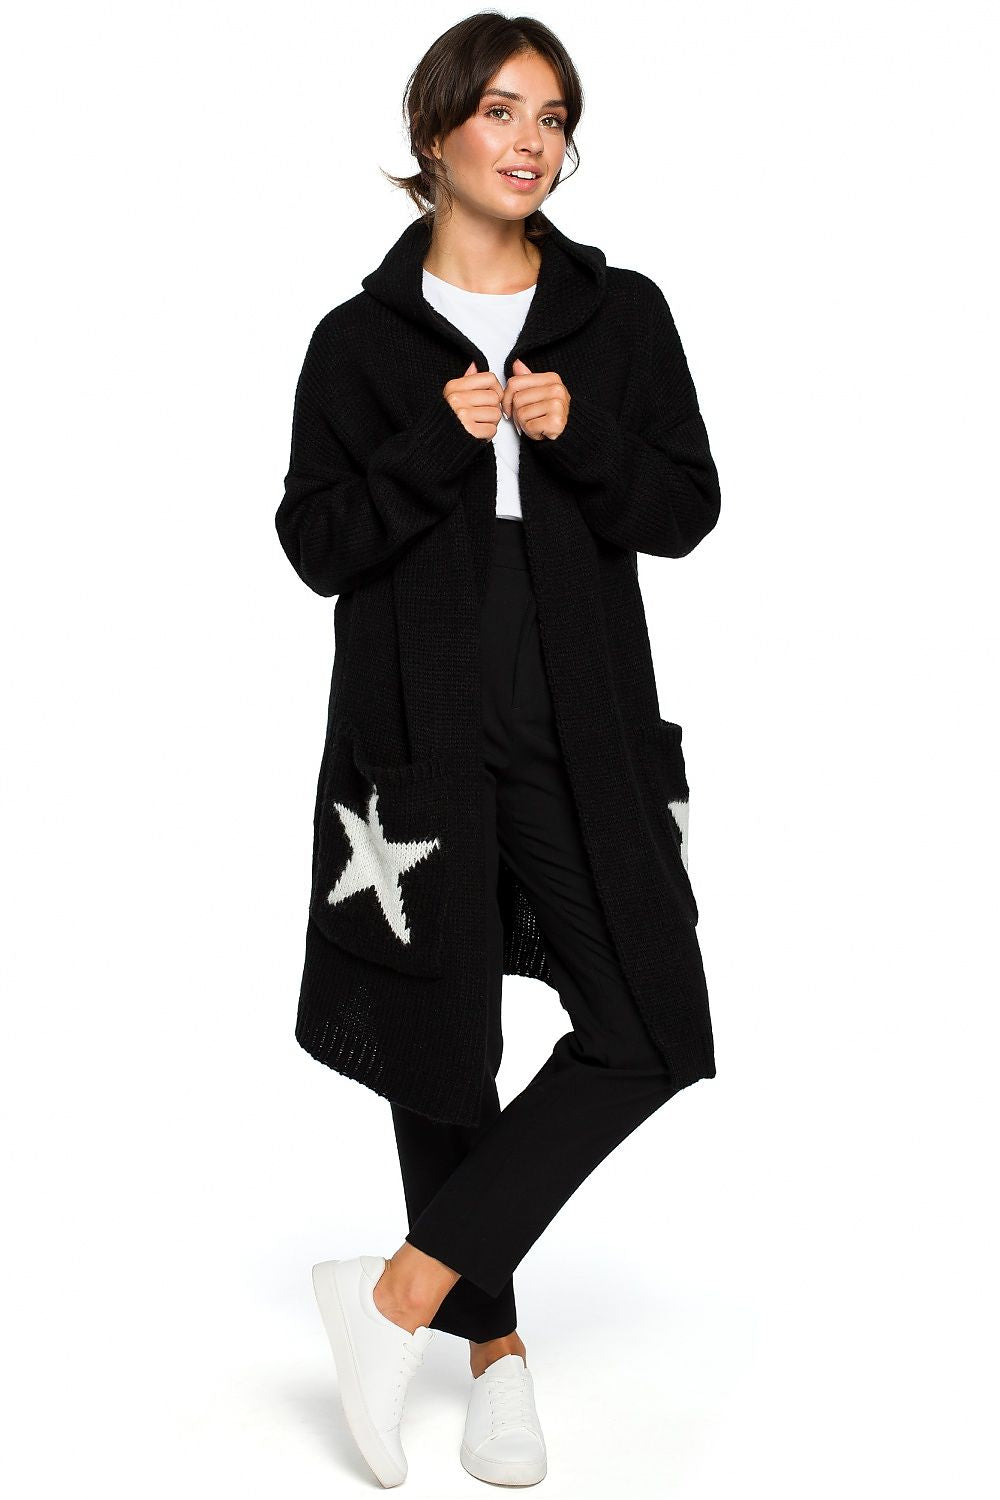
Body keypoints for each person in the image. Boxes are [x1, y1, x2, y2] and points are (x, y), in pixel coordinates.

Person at [276, 12, 721, 1489]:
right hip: (417, 719)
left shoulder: (619, 315)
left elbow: (685, 508)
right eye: (503, 112)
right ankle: (495, 1352)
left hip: (579, 712)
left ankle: (395, 1294)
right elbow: (315, 544)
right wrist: (433, 445)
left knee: (651, 1024)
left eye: (554, 118)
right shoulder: (359, 341)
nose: (531, 142)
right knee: (442, 1035)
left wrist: (579, 431)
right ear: (437, 135)